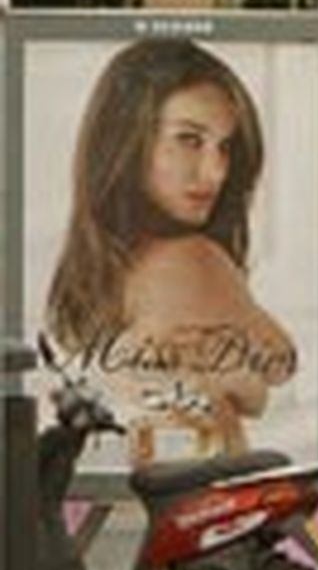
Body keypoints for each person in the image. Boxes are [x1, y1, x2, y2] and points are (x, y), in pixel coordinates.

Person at [45, 38, 293, 463]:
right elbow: (273, 374)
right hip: (207, 491)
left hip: (148, 477)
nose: (214, 173)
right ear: (124, 138)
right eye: (189, 140)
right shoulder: (190, 259)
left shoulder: (94, 271)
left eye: (225, 147)